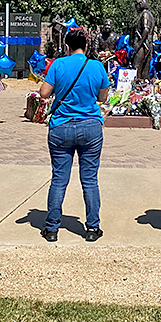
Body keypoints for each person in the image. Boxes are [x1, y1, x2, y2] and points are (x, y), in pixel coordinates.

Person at [38, 28, 110, 242]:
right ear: (86, 46)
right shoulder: (96, 66)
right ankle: (92, 227)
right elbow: (103, 97)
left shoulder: (58, 64)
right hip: (90, 126)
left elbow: (44, 93)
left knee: (59, 178)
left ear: (66, 46)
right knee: (89, 179)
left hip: (61, 125)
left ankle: (52, 228)